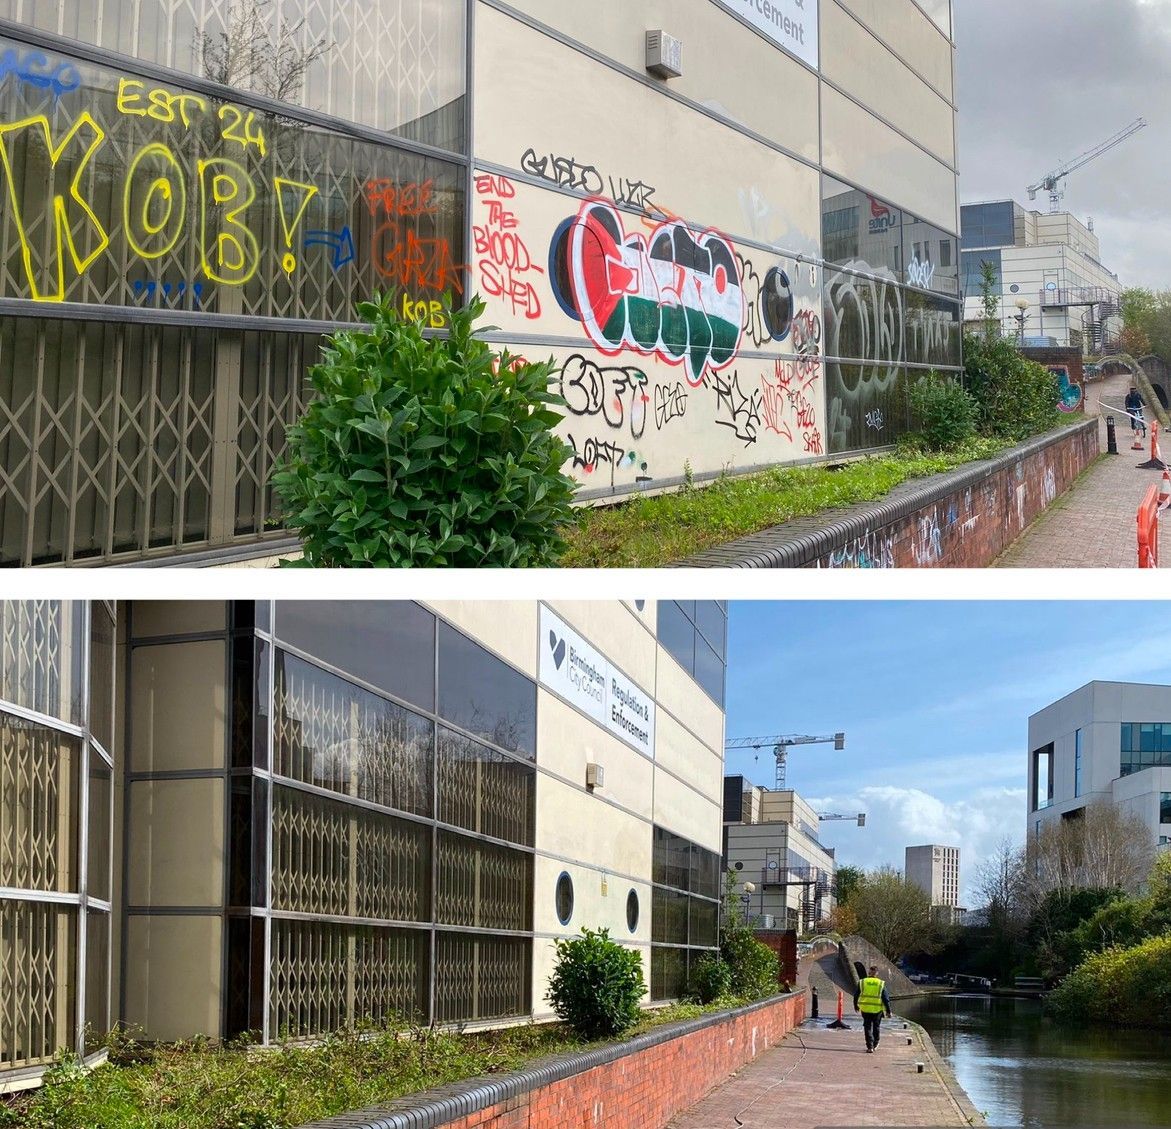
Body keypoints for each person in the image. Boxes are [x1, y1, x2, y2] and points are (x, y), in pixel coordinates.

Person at [853, 965, 892, 1053]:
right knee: (876, 1027)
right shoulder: (881, 983)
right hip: (877, 1009)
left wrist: (856, 1006)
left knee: (867, 1027)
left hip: (865, 1009)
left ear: (869, 972)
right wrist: (888, 1011)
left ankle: (869, 1046)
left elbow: (856, 995)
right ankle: (875, 1044)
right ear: (877, 973)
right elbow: (885, 998)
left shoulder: (862, 982)